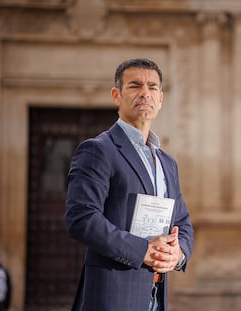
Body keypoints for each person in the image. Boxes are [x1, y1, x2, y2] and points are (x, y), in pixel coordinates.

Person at [65, 58, 194, 311]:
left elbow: (182, 222)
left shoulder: (168, 163)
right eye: (135, 86)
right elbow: (81, 218)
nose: (145, 93)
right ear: (117, 95)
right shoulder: (98, 150)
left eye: (152, 87)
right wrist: (141, 250)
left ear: (160, 98)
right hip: (112, 297)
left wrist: (178, 255)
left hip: (156, 296)